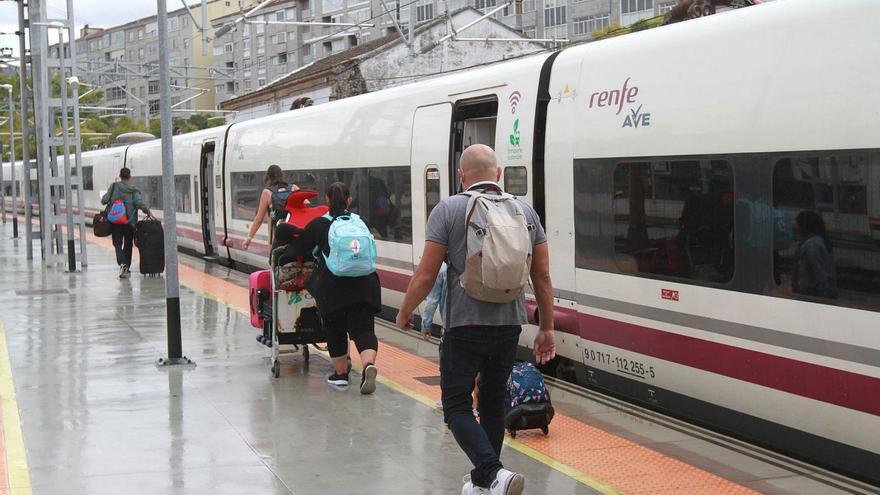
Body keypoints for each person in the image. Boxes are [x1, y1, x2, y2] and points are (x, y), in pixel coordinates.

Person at [395, 144, 556, 495]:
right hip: (509, 323)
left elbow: (425, 275)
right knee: (492, 400)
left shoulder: (448, 209)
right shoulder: (526, 212)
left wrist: (406, 311)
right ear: (498, 175)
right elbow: (541, 276)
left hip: (464, 325)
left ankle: (492, 473)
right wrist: (547, 327)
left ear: (461, 175)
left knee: (455, 406)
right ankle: (486, 485)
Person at [303, 182, 381, 393]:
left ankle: (340, 375)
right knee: (363, 329)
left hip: (333, 288)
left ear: (327, 200)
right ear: (349, 200)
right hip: (365, 285)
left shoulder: (320, 224)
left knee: (335, 329)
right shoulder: (360, 222)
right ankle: (368, 364)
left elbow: (299, 249)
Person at [101, 167, 150, 279]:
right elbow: (138, 203)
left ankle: (122, 263)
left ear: (120, 176)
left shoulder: (114, 187)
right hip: (129, 222)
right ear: (129, 176)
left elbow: (104, 200)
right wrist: (147, 210)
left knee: (117, 243)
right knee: (128, 244)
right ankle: (126, 267)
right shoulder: (134, 190)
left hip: (116, 221)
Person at [242, 165, 298, 250]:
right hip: (294, 234)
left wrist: (249, 238)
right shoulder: (294, 188)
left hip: (276, 237)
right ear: (282, 175)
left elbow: (259, 219)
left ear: (268, 177)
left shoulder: (267, 193)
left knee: (277, 260)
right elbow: (307, 206)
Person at [792, 210, 837, 299]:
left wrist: (823, 296)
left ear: (805, 227)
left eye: (799, 225)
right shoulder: (818, 241)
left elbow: (819, 272)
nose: (797, 228)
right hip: (812, 292)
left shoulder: (811, 245)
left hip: (811, 293)